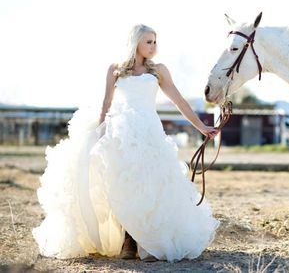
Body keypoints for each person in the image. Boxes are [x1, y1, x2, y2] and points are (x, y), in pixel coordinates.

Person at [33, 24, 220, 262]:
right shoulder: (115, 70)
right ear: (135, 43)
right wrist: (98, 133)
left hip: (149, 132)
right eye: (148, 41)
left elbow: (179, 101)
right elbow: (106, 104)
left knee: (150, 185)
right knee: (121, 186)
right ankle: (128, 242)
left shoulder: (159, 71)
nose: (153, 46)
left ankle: (151, 242)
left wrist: (201, 127)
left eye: (155, 41)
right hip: (121, 133)